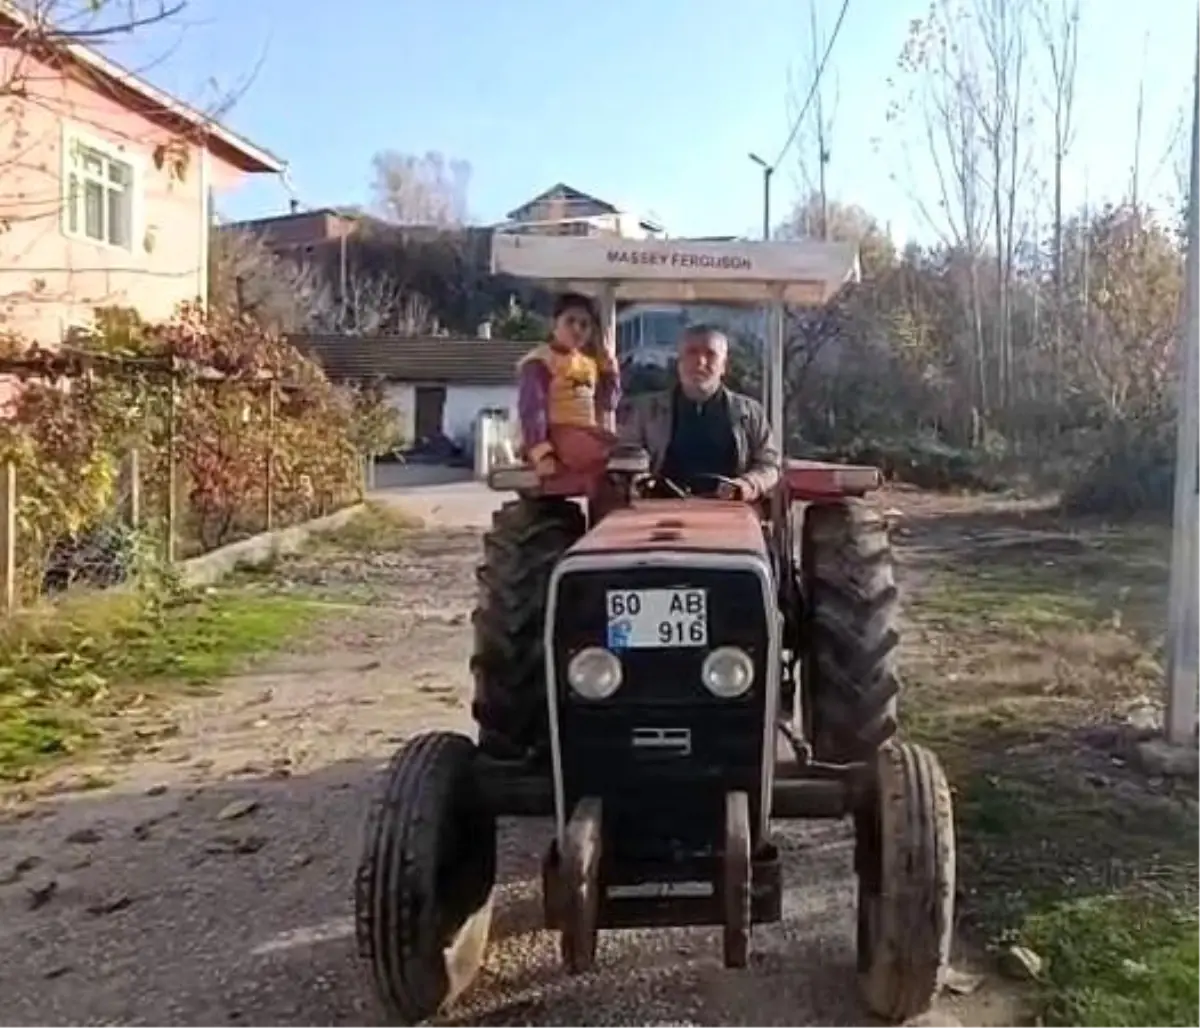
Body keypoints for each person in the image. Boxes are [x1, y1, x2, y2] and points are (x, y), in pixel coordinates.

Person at [617, 325, 780, 500]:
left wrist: (747, 485)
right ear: (679, 362)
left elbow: (769, 464)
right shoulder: (646, 411)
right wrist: (640, 481)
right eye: (692, 352)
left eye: (710, 354)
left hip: (731, 511)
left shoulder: (750, 413)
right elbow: (629, 456)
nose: (700, 362)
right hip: (662, 510)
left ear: (723, 366)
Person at [515, 292, 621, 480]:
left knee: (627, 455)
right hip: (556, 432)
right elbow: (532, 410)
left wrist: (610, 373)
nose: (577, 329)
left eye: (584, 324)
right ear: (554, 325)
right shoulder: (540, 361)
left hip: (587, 432)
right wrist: (542, 453)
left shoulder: (589, 363)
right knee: (603, 457)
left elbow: (608, 403)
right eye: (570, 321)